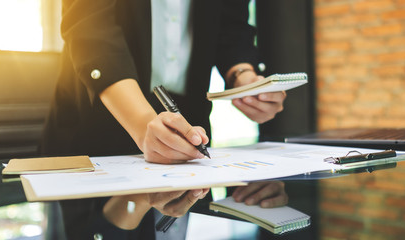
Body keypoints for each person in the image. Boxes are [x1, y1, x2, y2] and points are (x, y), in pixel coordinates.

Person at [42, 0, 288, 239]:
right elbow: (90, 28)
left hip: (183, 141)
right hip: (94, 134)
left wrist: (243, 77)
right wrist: (142, 122)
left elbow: (231, 24)